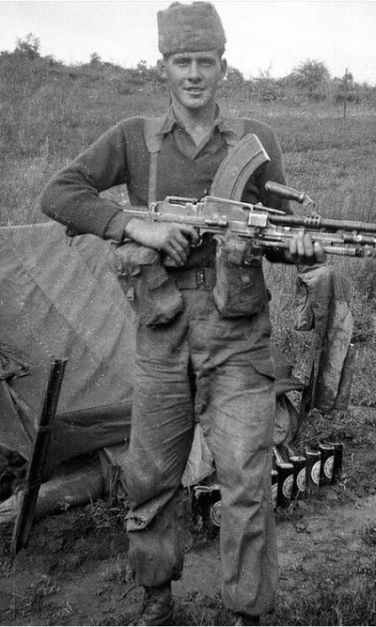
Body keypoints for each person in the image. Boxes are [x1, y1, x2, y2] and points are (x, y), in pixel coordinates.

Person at [41, 2, 325, 624]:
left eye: (205, 61)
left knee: (247, 482)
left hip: (239, 330)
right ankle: (156, 599)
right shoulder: (132, 139)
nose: (194, 74)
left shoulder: (256, 144)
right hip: (163, 331)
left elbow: (278, 232)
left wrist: (295, 248)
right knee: (150, 475)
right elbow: (59, 192)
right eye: (181, 62)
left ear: (224, 67)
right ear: (163, 68)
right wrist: (132, 225)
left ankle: (247, 611)